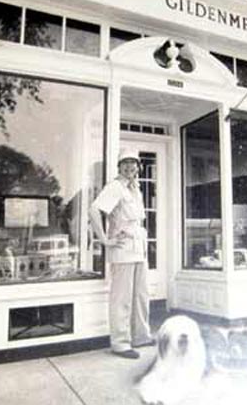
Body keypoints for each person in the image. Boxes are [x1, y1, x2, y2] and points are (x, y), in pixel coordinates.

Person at [90, 148, 155, 359]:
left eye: (133, 163)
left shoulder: (135, 189)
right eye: (125, 163)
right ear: (119, 166)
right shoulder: (116, 187)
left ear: (138, 167)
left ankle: (141, 336)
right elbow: (94, 210)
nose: (130, 167)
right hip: (123, 250)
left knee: (141, 295)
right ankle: (120, 343)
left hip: (139, 249)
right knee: (122, 298)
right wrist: (105, 240)